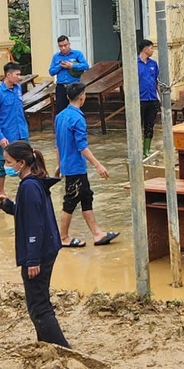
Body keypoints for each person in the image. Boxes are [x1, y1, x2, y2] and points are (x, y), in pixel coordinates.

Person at [0, 141, 68, 345]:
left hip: (40, 252)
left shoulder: (29, 187)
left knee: (39, 307)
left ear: (21, 163)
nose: (6, 166)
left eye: (8, 162)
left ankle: (62, 349)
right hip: (46, 247)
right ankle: (46, 346)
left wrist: (32, 260)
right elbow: (26, 213)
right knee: (38, 303)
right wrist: (7, 206)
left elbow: (34, 226)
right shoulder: (34, 183)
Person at [54, 83, 117, 247]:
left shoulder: (60, 116)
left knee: (86, 197)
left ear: (68, 97)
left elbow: (58, 143)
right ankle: (63, 237)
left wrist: (59, 164)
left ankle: (97, 234)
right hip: (75, 167)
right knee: (70, 201)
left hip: (69, 165)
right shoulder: (78, 119)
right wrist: (98, 165)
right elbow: (82, 146)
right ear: (82, 96)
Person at [0, 63, 30, 197]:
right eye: (17, 74)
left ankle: (26, 188)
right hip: (7, 135)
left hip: (22, 132)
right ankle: (1, 192)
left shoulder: (18, 88)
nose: (19, 77)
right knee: (2, 164)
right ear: (8, 75)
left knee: (27, 161)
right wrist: (1, 137)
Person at [49, 35, 89, 113]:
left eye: (65, 45)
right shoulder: (56, 56)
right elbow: (51, 72)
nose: (63, 48)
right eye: (61, 46)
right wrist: (60, 66)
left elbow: (86, 66)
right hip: (61, 87)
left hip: (74, 86)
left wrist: (72, 65)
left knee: (76, 110)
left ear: (69, 44)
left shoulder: (77, 54)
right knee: (61, 110)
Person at [136, 38, 161, 162]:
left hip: (152, 98)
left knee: (149, 125)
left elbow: (156, 81)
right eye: (151, 48)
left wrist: (159, 97)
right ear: (145, 49)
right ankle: (136, 149)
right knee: (137, 125)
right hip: (139, 100)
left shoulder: (153, 64)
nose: (152, 50)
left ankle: (147, 149)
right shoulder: (134, 63)